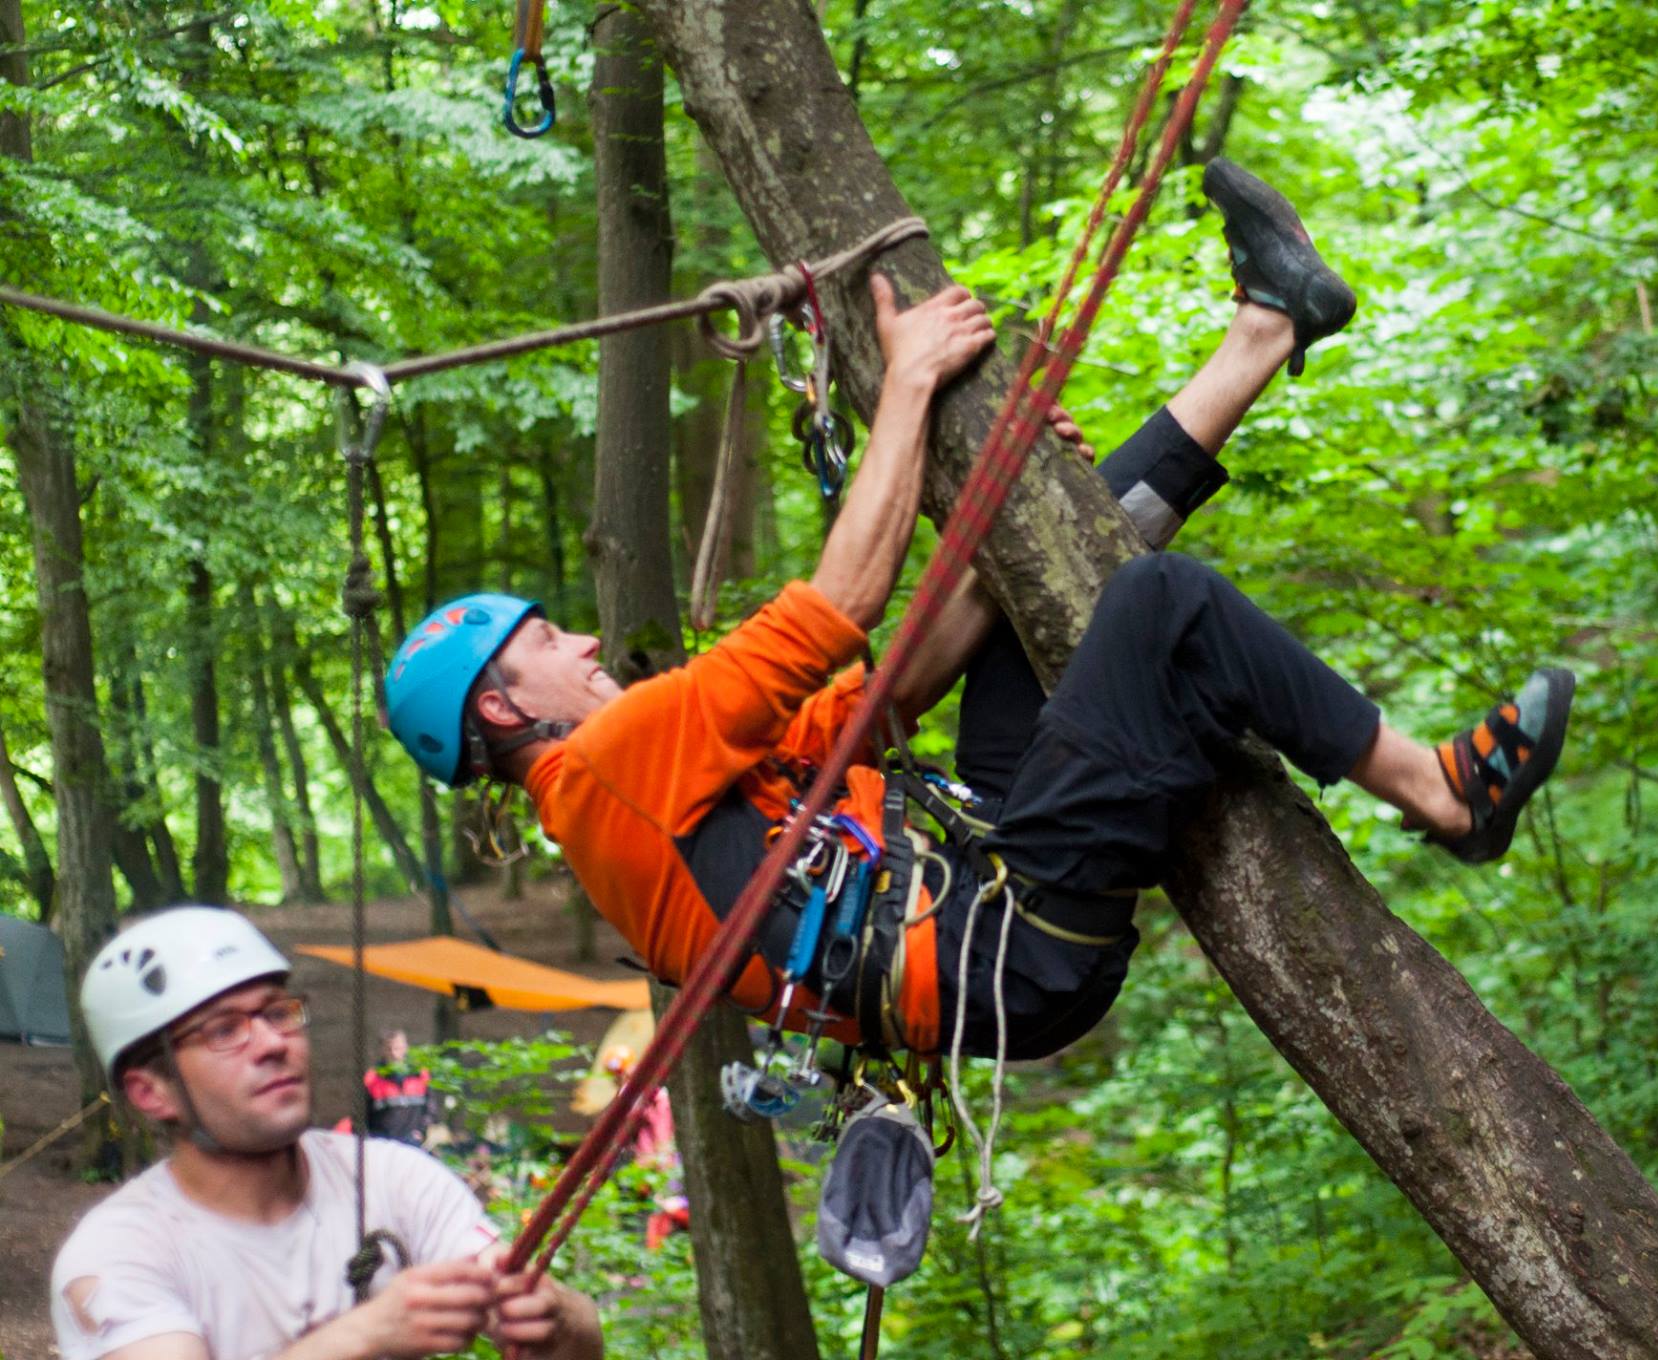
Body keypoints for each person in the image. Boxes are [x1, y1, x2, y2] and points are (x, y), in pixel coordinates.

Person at [383, 159, 1574, 1064]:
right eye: (545, 643)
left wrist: (1000, 493)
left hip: (982, 887)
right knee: (1163, 599)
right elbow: (840, 605)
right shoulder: (608, 766)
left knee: (1018, 577)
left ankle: (1264, 329)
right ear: (500, 702)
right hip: (999, 946)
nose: (584, 642)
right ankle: (1438, 790)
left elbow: (895, 686)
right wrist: (903, 389)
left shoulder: (662, 782)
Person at [50, 905, 604, 1360]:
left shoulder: (393, 1178)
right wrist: (362, 1335)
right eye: (224, 1030)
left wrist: (558, 1318)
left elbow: (577, 1343)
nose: (272, 1043)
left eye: (278, 1012)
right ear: (152, 1092)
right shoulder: (118, 1253)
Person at [362, 1028, 437, 1148]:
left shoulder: (420, 1075)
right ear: (382, 1051)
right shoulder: (372, 1078)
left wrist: (422, 1132)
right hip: (382, 1144)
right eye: (388, 1049)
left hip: (412, 1142)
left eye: (397, 1048)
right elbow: (361, 1114)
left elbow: (430, 1108)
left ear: (405, 1048)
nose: (393, 1053)